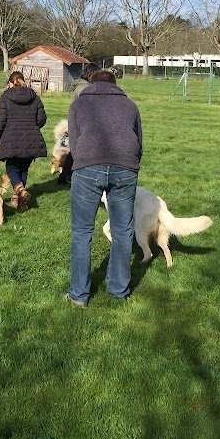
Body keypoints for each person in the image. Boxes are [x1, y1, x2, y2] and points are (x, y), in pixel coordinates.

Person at [66, 70, 142, 307]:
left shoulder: (78, 105)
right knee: (123, 231)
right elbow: (139, 142)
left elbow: (74, 144)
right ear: (116, 85)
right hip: (125, 168)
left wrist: (82, 163)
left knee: (82, 232)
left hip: (87, 167)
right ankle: (119, 289)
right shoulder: (130, 106)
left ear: (91, 84)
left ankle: (79, 295)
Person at [0, 71, 47, 212]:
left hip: (11, 139)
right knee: (23, 168)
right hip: (32, 138)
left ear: (11, 83)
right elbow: (41, 119)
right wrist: (31, 126)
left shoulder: (5, 97)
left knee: (11, 168)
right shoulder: (34, 97)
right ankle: (18, 200)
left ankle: (20, 191)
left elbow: (0, 122)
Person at [57, 63, 101, 185]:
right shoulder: (85, 89)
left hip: (79, 121)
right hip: (83, 123)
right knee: (79, 151)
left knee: (76, 150)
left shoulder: (82, 86)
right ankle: (67, 176)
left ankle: (66, 176)